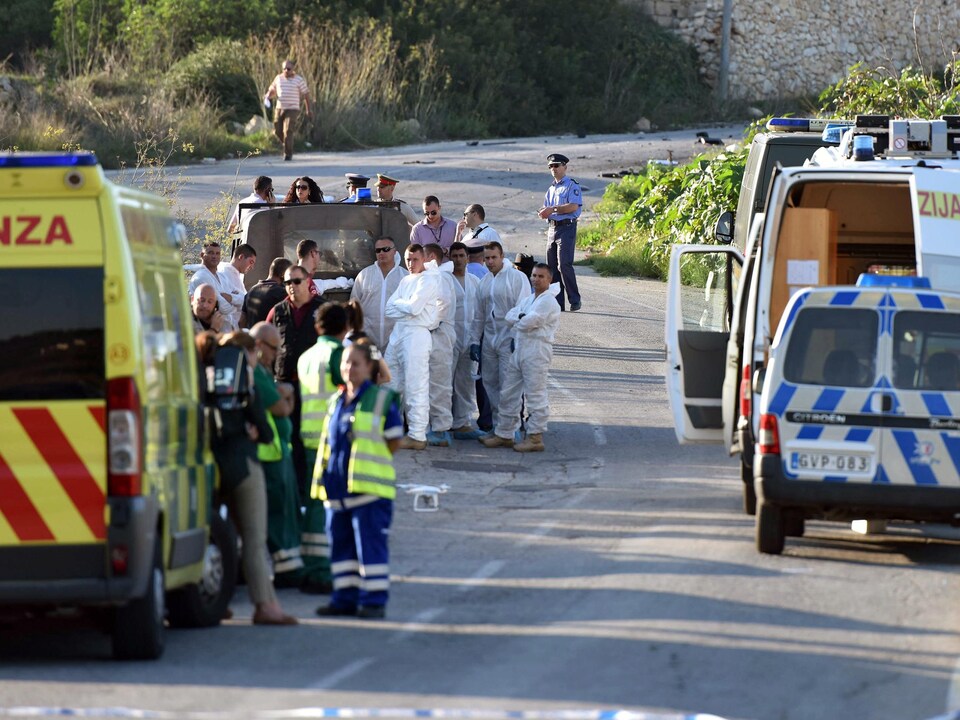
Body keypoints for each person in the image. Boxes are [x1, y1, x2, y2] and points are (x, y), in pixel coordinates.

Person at [207, 331, 297, 625]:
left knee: (219, 538)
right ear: (249, 352)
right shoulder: (244, 380)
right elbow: (266, 429)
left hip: (212, 467)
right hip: (244, 465)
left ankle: (216, 601)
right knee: (254, 540)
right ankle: (266, 606)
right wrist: (257, 431)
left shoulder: (205, 376)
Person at [312, 342, 404, 619]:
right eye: (345, 363)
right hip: (337, 490)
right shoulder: (336, 400)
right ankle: (344, 599)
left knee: (370, 547)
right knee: (341, 547)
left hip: (369, 491)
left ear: (368, 367)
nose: (349, 368)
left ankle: (374, 601)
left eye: (355, 363)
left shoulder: (380, 399)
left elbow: (394, 441)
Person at [296, 302, 349, 595]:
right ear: (345, 329)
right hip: (330, 437)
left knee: (312, 500)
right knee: (327, 503)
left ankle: (308, 564)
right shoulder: (337, 355)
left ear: (318, 327)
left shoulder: (307, 356)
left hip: (308, 434)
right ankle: (320, 569)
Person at [249, 322, 304, 588]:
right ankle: (286, 568)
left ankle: (289, 565)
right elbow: (280, 409)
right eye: (274, 348)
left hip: (276, 452)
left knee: (285, 510)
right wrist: (289, 396)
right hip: (268, 455)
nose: (276, 354)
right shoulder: (257, 373)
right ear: (259, 346)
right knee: (278, 513)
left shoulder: (260, 371)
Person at [487, 263, 561, 452]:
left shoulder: (549, 301)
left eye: (541, 276)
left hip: (537, 350)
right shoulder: (529, 300)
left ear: (549, 279)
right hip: (520, 348)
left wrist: (519, 319)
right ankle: (504, 433)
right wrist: (521, 318)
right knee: (508, 392)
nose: (536, 279)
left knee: (535, 394)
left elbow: (530, 321)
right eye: (534, 275)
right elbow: (510, 316)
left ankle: (535, 436)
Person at [267, 265, 325, 492]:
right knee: (287, 437)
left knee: (311, 440)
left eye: (296, 281)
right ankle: (290, 486)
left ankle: (311, 487)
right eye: (287, 282)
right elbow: (266, 340)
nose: (291, 286)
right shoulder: (278, 310)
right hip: (284, 383)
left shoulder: (322, 309)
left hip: (314, 386)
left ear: (308, 280)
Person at [472, 241, 529, 447]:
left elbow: (523, 309)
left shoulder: (516, 278)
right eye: (486, 258)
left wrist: (517, 338)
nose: (489, 262)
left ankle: (512, 429)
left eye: (493, 257)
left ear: (502, 255)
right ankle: (499, 428)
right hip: (489, 339)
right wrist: (474, 341)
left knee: (509, 386)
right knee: (491, 384)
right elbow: (479, 315)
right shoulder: (484, 282)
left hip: (508, 340)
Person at [383, 243, 440, 450]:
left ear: (424, 258)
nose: (410, 263)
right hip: (399, 333)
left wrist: (402, 306)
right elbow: (388, 309)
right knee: (391, 383)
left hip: (417, 333)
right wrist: (404, 308)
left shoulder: (429, 280)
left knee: (416, 384)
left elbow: (415, 309)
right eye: (408, 259)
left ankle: (417, 434)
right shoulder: (406, 280)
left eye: (415, 259)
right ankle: (392, 429)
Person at [423, 243, 459, 447]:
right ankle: (434, 426)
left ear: (432, 258)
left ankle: (441, 429)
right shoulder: (434, 277)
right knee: (431, 383)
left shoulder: (441, 277)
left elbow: (442, 305)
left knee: (439, 383)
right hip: (435, 333)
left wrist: (429, 324)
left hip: (440, 333)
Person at [447, 242, 483, 439]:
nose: (458, 260)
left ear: (468, 258)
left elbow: (480, 313)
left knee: (465, 382)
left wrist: (477, 339)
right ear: (449, 258)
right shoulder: (445, 281)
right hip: (449, 338)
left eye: (461, 255)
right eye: (455, 256)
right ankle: (442, 422)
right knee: (444, 382)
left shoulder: (475, 282)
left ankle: (461, 421)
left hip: (469, 339)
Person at [538, 153, 583, 311]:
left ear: (565, 166)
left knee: (564, 264)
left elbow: (573, 206)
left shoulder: (572, 185)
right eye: (551, 166)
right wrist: (544, 212)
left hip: (567, 227)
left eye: (556, 165)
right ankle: (558, 302)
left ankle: (574, 299)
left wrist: (553, 209)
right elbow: (547, 208)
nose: (553, 169)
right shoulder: (551, 189)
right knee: (552, 267)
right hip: (552, 228)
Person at [350, 236, 409, 351]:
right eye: (378, 250)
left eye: (386, 249)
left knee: (390, 369)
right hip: (368, 340)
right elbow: (353, 306)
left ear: (394, 251)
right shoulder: (364, 275)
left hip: (396, 341)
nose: (381, 253)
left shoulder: (405, 277)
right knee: (371, 368)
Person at [265, 60, 312, 162]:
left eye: (289, 68)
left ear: (293, 69)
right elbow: (273, 90)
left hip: (293, 108)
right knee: (277, 129)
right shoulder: (278, 78)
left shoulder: (298, 80)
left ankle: (288, 153)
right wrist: (268, 95)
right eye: (284, 68)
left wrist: (309, 109)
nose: (286, 70)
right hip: (280, 107)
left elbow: (306, 94)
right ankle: (287, 143)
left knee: (288, 130)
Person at [241, 257, 292, 328]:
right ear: (283, 274)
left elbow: (242, 321)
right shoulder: (282, 292)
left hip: (251, 336)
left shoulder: (251, 291)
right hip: (269, 337)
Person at [217, 244, 257, 332]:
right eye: (251, 262)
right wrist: (238, 299)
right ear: (241, 257)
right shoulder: (224, 273)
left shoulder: (235, 275)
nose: (252, 267)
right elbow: (224, 298)